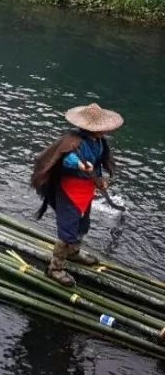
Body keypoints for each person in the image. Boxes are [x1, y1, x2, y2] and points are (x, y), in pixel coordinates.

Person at [31, 103, 119, 287]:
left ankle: (73, 251)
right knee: (68, 227)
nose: (104, 131)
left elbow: (97, 164)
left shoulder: (99, 142)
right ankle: (55, 268)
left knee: (82, 222)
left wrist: (99, 179)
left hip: (86, 188)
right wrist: (79, 165)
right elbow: (67, 158)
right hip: (69, 189)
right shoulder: (73, 141)